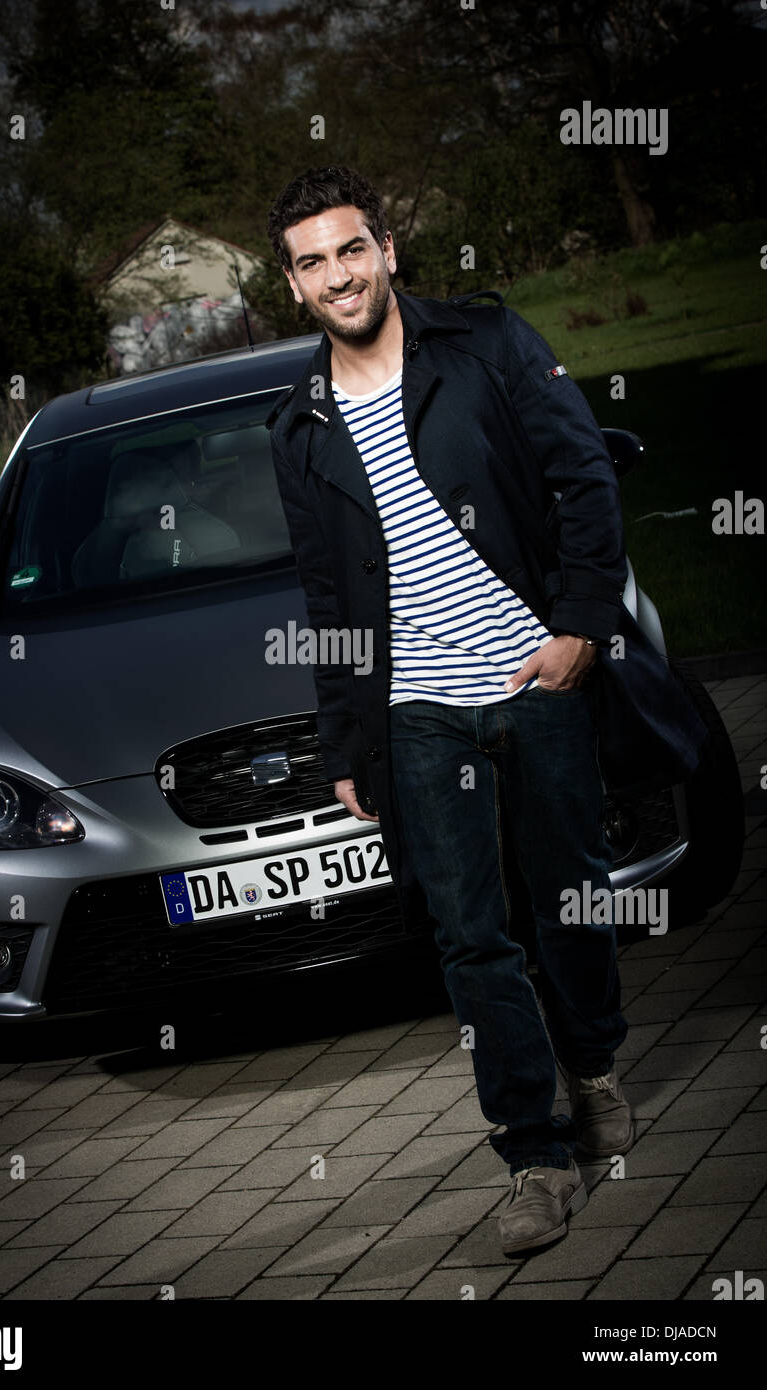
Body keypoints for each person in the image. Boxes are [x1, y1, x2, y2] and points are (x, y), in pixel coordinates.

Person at [264, 165, 637, 1257]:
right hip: (418, 708)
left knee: (568, 896)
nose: (335, 275)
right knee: (471, 936)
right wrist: (347, 740)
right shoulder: (299, 426)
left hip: (535, 679)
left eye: (348, 249)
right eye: (310, 262)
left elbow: (582, 479)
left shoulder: (484, 343)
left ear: (386, 250)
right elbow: (326, 596)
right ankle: (531, 1153)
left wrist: (577, 626)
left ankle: (596, 1064)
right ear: (290, 286)